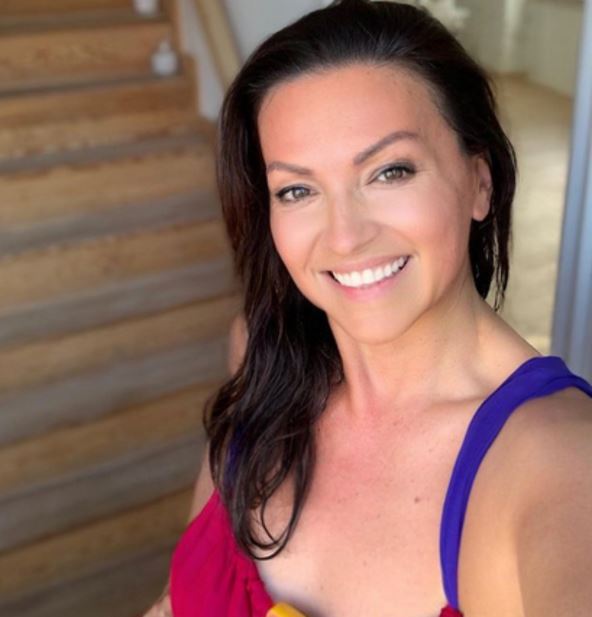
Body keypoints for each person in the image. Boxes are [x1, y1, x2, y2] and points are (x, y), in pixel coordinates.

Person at [147, 1, 592, 616]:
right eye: (297, 189)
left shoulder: (560, 458)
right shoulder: (264, 358)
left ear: (479, 182)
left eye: (389, 172)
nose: (345, 237)